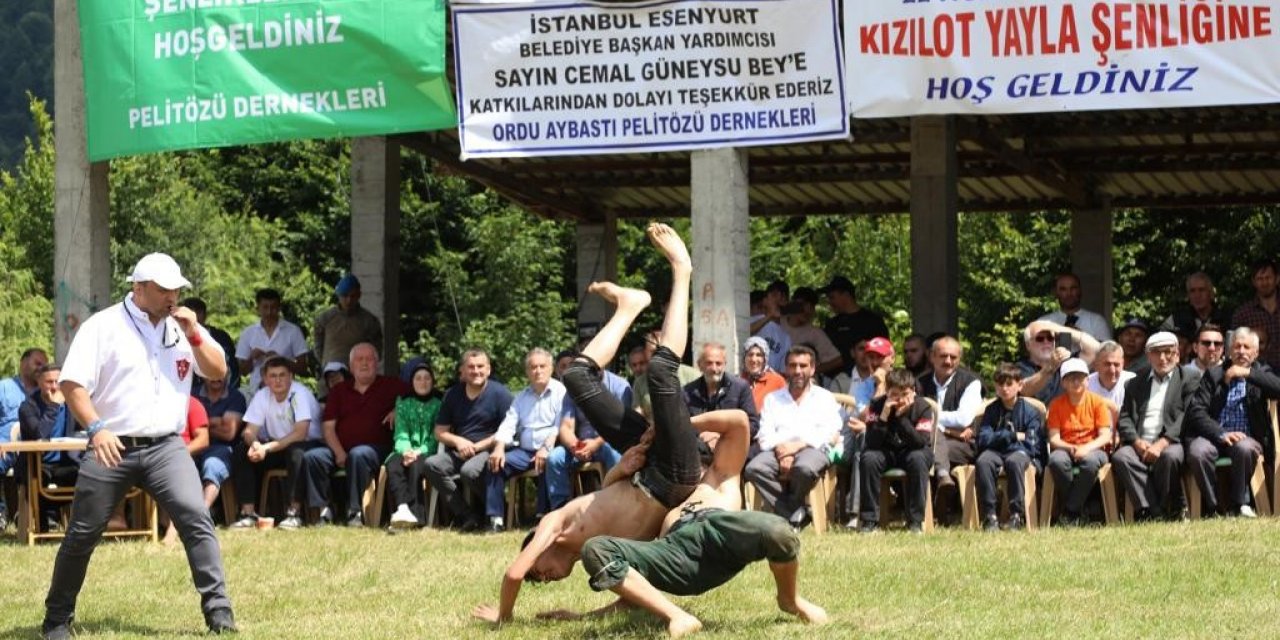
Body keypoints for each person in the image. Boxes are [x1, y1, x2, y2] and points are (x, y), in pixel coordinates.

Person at [469, 222, 708, 625]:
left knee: (576, 377)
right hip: (672, 474)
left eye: (536, 571)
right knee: (662, 373)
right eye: (540, 582)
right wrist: (575, 617)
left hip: (650, 465)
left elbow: (513, 572)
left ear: (538, 547)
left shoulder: (555, 524)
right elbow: (631, 596)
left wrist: (505, 617)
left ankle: (641, 299)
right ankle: (672, 278)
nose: (540, 578)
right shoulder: (595, 555)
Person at [43, 252, 235, 639]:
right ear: (138, 288)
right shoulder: (104, 326)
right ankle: (56, 620)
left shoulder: (183, 326)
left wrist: (196, 334)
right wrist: (96, 429)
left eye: (176, 289)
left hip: (167, 444)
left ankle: (220, 616)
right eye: (164, 289)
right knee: (83, 532)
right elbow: (72, 384)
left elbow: (219, 370)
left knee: (196, 519)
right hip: (112, 442)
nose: (172, 297)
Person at [526, 403, 828, 637]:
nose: (680, 471)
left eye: (686, 464)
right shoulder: (662, 503)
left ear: (701, 462)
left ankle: (790, 600)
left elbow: (736, 420)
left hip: (718, 533)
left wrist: (674, 427)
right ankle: (678, 616)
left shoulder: (719, 479)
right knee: (596, 548)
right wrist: (581, 618)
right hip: (675, 556)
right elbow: (630, 586)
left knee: (779, 530)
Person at [299, 342, 406, 526]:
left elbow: (421, 397)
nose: (364, 363)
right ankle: (324, 510)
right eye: (359, 359)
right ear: (351, 366)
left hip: (377, 449)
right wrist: (339, 452)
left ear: (377, 363)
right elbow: (328, 427)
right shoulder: (339, 391)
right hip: (340, 449)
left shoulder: (392, 385)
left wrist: (399, 409)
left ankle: (354, 511)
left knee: (359, 453)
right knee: (312, 457)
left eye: (369, 359)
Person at [1184, 327, 1280, 517]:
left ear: (1255, 352)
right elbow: (1197, 411)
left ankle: (1240, 504)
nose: (1241, 351)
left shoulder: (1262, 372)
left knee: (1243, 448)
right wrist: (1221, 433)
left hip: (1248, 438)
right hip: (1215, 436)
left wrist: (1247, 373)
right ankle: (1213, 507)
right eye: (1237, 346)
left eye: (1246, 347)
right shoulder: (1214, 375)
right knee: (1197, 451)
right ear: (1229, 351)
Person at [744, 345, 842, 530]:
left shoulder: (824, 397)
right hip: (778, 449)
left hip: (812, 448)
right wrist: (783, 452)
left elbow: (831, 431)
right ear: (786, 368)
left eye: (803, 366)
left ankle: (791, 511)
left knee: (803, 468)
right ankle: (796, 513)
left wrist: (798, 446)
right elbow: (764, 433)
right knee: (754, 469)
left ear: (812, 369)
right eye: (793, 365)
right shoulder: (773, 398)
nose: (797, 371)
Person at [229, 357, 326, 530]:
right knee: (241, 451)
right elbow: (249, 431)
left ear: (291, 377)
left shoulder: (299, 393)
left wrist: (266, 448)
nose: (278, 380)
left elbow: (300, 433)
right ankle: (248, 513)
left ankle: (294, 514)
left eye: (282, 375)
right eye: (273, 376)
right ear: (265, 379)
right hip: (277, 446)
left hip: (309, 444)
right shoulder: (262, 395)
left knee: (296, 452)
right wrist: (256, 445)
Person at [424, 348, 514, 531]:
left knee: (469, 471)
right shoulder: (452, 395)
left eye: (480, 366)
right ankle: (467, 515)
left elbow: (510, 429)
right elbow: (440, 432)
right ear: (463, 371)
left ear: (488, 369)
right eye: (471, 367)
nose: (476, 371)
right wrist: (459, 442)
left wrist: (480, 445)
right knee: (432, 464)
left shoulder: (501, 394)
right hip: (460, 451)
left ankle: (496, 509)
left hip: (490, 449)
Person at [1113, 332, 1199, 522]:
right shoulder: (1135, 382)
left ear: (1177, 354)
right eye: (1156, 353)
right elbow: (1125, 417)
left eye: (1168, 352)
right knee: (1121, 457)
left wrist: (1162, 443)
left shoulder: (1189, 378)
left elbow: (1188, 416)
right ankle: (1151, 510)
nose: (1162, 358)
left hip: (1171, 440)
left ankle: (1167, 506)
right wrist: (1135, 441)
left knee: (1170, 457)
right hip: (1141, 441)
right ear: (1148, 355)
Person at [485, 348, 567, 532]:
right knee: (495, 462)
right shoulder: (521, 397)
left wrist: (546, 448)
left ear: (551, 368)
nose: (538, 371)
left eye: (542, 366)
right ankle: (496, 519)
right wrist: (498, 447)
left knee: (549, 460)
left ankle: (542, 518)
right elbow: (508, 424)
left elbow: (559, 425)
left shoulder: (561, 392)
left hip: (552, 446)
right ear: (527, 372)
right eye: (533, 367)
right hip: (525, 451)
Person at [857, 368, 936, 534]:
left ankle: (915, 522)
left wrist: (901, 418)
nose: (900, 399)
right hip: (885, 451)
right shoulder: (877, 405)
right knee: (868, 458)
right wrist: (884, 416)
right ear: (886, 392)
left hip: (913, 450)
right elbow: (871, 442)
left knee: (918, 459)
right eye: (894, 394)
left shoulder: (923, 407)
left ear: (913, 391)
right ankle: (870, 521)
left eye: (905, 393)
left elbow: (919, 442)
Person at [545, 358, 628, 511]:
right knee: (554, 458)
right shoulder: (573, 389)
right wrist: (575, 446)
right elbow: (565, 427)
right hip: (581, 444)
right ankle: (560, 509)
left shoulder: (620, 386)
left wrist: (596, 443)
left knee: (614, 454)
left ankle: (617, 505)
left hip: (609, 441)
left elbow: (623, 425)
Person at [974, 363, 1045, 531]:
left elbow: (1032, 444)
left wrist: (999, 439)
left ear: (1020, 385)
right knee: (984, 461)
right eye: (1000, 384)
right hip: (996, 452)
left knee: (1015, 461)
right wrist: (1011, 436)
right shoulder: (991, 410)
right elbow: (983, 439)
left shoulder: (1030, 412)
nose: (1004, 389)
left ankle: (1016, 514)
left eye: (1009, 384)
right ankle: (990, 515)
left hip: (1021, 453)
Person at [1045, 358, 1113, 526]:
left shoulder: (1097, 402)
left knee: (1090, 462)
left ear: (1088, 380)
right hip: (1066, 447)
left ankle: (1070, 511)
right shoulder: (1056, 405)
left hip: (1094, 448)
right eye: (1070, 378)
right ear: (1063, 383)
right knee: (1056, 461)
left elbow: (1105, 436)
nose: (1076, 382)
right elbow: (1054, 439)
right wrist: (1073, 448)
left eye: (1080, 377)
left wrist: (1086, 448)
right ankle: (1084, 509)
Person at [917, 336, 982, 503]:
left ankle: (938, 500)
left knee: (931, 452)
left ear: (959, 359)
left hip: (963, 443)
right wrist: (947, 429)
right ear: (932, 357)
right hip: (928, 439)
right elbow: (913, 415)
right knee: (922, 451)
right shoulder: (919, 383)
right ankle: (941, 486)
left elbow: (963, 418)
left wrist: (931, 418)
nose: (948, 361)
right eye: (943, 356)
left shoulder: (971, 382)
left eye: (953, 357)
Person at [18, 362, 80, 533]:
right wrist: (54, 406)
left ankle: (80, 530)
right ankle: (41, 530)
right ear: (39, 382)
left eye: (58, 382)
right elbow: (39, 434)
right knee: (38, 481)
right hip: (36, 465)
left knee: (87, 476)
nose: (54, 387)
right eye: (49, 382)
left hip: (65, 462)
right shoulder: (28, 407)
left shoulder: (71, 404)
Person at [384, 361, 443, 529]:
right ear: (412, 381)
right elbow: (401, 432)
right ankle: (402, 508)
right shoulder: (403, 402)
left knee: (417, 465)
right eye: (418, 378)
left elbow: (436, 436)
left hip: (428, 451)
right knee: (394, 463)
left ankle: (417, 515)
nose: (423, 382)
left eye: (427, 378)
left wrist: (419, 451)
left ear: (432, 381)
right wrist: (406, 450)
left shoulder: (439, 403)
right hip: (405, 449)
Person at [0, 347, 48, 531]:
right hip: (5, 447)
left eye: (44, 364)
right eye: (38, 363)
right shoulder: (4, 388)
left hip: (36, 448)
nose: (41, 368)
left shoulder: (46, 391)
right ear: (23, 363)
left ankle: (43, 515)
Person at [683, 341, 760, 452]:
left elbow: (753, 424)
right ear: (700, 365)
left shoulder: (740, 388)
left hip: (731, 449)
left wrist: (721, 436)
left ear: (725, 364)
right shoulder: (687, 392)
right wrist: (703, 437)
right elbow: (682, 425)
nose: (714, 369)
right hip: (697, 450)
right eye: (709, 363)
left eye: (718, 363)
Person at [235, 288, 310, 392]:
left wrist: (280, 360)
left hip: (285, 392)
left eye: (273, 307)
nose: (269, 312)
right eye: (265, 307)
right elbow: (242, 372)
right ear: (258, 308)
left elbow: (303, 369)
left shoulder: (293, 331)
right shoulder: (248, 333)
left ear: (279, 308)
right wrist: (251, 358)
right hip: (257, 392)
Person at [1017, 319, 1101, 403]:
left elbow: (1096, 350)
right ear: (1028, 345)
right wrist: (1050, 368)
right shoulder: (1020, 367)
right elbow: (1024, 389)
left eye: (1050, 338)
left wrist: (1059, 329)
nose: (1046, 342)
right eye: (1040, 338)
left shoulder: (1066, 363)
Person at [313, 273, 383, 372]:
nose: (349, 300)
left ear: (359, 295)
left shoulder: (369, 321)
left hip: (358, 376)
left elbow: (376, 353)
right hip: (330, 376)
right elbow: (318, 348)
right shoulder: (325, 319)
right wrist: (327, 364)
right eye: (345, 296)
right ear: (339, 296)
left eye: (353, 296)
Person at [821, 275, 889, 373]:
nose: (830, 302)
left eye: (832, 297)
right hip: (833, 381)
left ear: (846, 295)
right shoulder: (832, 324)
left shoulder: (872, 321)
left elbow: (884, 351)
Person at [181, 297, 239, 395]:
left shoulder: (221, 337)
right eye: (190, 313)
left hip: (221, 394)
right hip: (184, 393)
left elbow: (232, 368)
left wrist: (230, 393)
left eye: (198, 312)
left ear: (205, 315)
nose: (194, 317)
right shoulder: (173, 336)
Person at [1231, 258, 1280, 369]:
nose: (1264, 282)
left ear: (1277, 279)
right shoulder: (1243, 314)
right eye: (1259, 278)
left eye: (1268, 278)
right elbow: (1233, 348)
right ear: (1253, 282)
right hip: (1256, 375)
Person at [1159, 272, 1231, 344]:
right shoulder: (1176, 319)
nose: (1197, 295)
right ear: (1188, 295)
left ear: (1211, 293)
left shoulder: (1226, 318)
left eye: (1201, 290)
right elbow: (1158, 340)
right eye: (1192, 291)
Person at [1039, 272, 1112, 342]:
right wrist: (1051, 339)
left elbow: (1107, 351)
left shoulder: (1096, 321)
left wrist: (1080, 336)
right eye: (1063, 289)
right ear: (1056, 293)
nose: (1069, 294)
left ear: (1080, 290)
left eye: (1073, 288)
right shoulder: (1045, 322)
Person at [740, 336, 785, 415]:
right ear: (744, 358)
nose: (754, 360)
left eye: (759, 355)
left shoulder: (777, 381)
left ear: (765, 359)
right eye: (750, 355)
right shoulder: (738, 381)